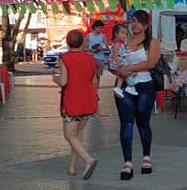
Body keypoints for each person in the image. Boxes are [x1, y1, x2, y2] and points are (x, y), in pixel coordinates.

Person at [113, 10, 160, 180]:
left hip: (145, 85)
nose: (135, 25)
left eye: (138, 22)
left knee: (142, 122)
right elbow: (115, 59)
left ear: (146, 25)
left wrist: (130, 68)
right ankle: (127, 162)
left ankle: (146, 156)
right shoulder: (123, 41)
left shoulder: (152, 43)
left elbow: (151, 63)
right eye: (132, 21)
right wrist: (119, 69)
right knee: (126, 123)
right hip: (125, 85)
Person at [53, 29, 99, 180]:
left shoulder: (64, 58)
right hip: (89, 100)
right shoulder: (91, 59)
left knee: (69, 135)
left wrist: (55, 79)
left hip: (73, 101)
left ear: (67, 42)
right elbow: (94, 81)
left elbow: (64, 81)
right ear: (82, 42)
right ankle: (72, 167)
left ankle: (88, 159)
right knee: (77, 134)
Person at [109, 23, 137, 97]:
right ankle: (130, 87)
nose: (124, 35)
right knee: (128, 74)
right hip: (118, 64)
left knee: (121, 77)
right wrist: (120, 65)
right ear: (115, 34)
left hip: (121, 63)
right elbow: (115, 55)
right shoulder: (117, 44)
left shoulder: (122, 44)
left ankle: (118, 88)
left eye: (125, 33)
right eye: (122, 33)